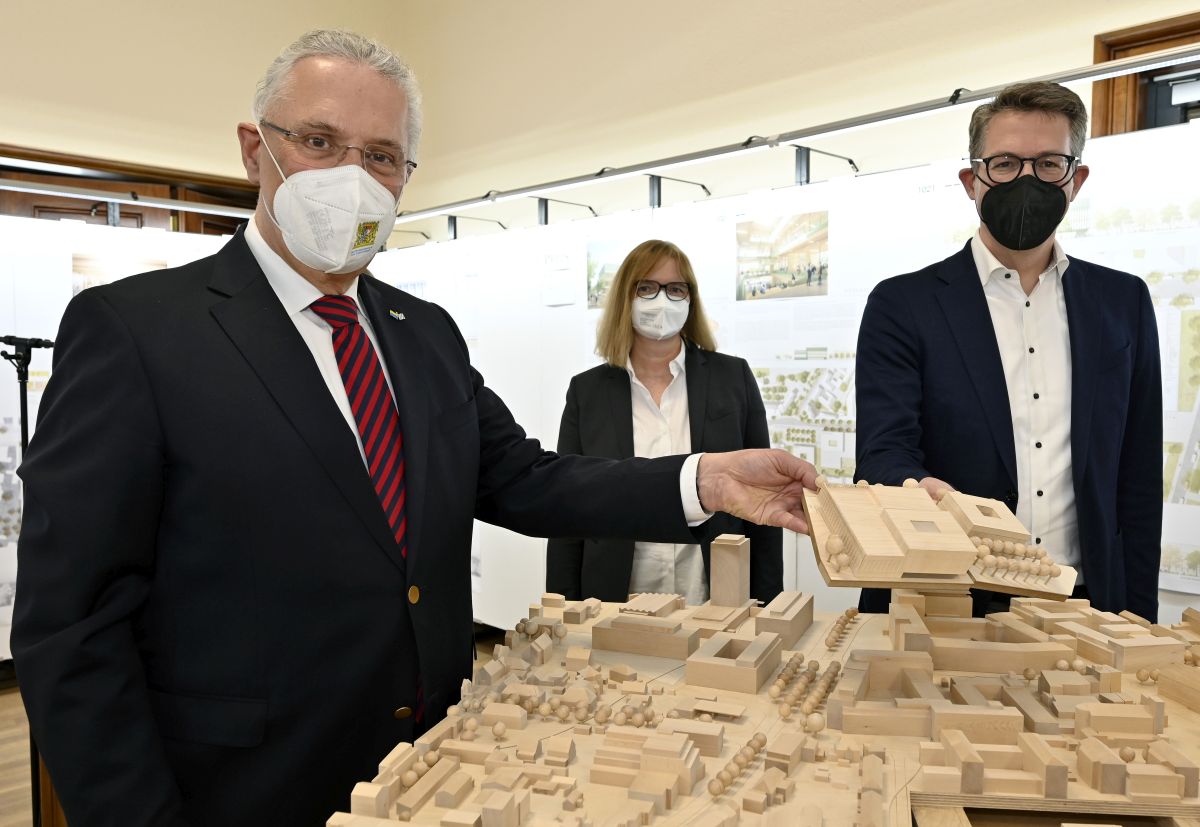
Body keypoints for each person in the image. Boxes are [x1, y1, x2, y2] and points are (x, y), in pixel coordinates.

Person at [12, 30, 818, 827]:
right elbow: (73, 623)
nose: (353, 178)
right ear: (256, 150)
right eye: (321, 141)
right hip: (242, 786)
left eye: (381, 156)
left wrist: (700, 478)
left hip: (429, 773)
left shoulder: (422, 332)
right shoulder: (138, 331)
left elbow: (523, 476)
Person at [854, 81, 1162, 620]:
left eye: (1048, 164)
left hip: (1083, 604)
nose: (1026, 180)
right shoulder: (903, 304)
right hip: (943, 598)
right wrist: (917, 488)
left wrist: (1137, 619)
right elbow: (883, 451)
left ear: (1076, 179)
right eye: (1004, 164)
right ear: (972, 181)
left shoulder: (1122, 302)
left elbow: (1137, 477)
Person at [546, 240, 782, 605]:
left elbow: (762, 493)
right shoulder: (587, 392)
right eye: (646, 288)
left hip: (712, 591)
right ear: (627, 297)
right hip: (613, 595)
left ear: (690, 299)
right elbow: (566, 506)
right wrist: (561, 608)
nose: (662, 300)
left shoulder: (732, 378)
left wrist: (770, 603)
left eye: (675, 289)